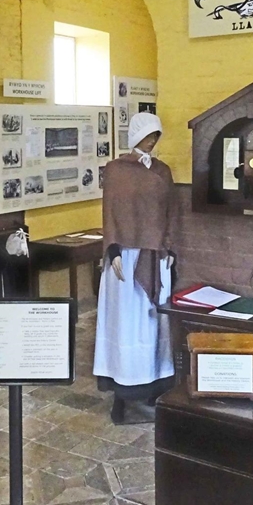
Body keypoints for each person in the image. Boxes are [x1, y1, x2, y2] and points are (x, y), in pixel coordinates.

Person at [93, 112, 176, 424]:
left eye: (156, 135)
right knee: (125, 322)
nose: (152, 141)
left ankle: (155, 382)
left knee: (154, 323)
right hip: (124, 261)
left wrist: (169, 247)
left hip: (155, 257)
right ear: (135, 135)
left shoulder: (163, 171)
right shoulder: (116, 170)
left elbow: (170, 211)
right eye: (147, 134)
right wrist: (112, 246)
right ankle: (121, 391)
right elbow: (110, 211)